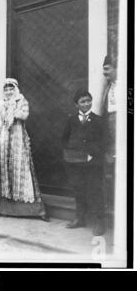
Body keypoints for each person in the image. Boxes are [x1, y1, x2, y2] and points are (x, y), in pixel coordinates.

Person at [0, 78, 49, 221]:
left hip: (17, 139)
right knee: (3, 170)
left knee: (21, 169)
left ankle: (32, 210)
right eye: (6, 89)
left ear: (15, 89)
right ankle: (1, 208)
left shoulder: (22, 102)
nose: (9, 91)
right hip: (4, 140)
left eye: (11, 89)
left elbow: (24, 115)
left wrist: (11, 109)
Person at [62, 89, 106, 236]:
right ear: (76, 104)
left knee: (95, 190)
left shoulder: (98, 120)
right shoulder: (71, 120)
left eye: (88, 100)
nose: (86, 104)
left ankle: (99, 222)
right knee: (79, 189)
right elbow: (64, 139)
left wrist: (94, 153)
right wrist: (71, 153)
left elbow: (105, 141)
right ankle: (80, 218)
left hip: (93, 162)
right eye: (83, 101)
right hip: (76, 162)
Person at [102, 55, 117, 163]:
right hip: (111, 128)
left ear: (115, 68)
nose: (104, 72)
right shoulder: (109, 87)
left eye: (107, 69)